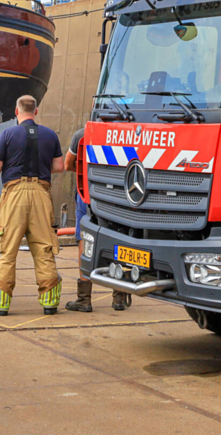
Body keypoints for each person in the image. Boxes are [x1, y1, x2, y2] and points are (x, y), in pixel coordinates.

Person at [0, 95, 64, 316]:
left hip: (15, 194)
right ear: (35, 112)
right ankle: (49, 303)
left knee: (7, 249)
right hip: (41, 194)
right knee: (44, 248)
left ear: (17, 112)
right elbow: (59, 166)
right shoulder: (49, 135)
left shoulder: (8, 133)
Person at [62, 128, 134, 313]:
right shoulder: (129, 134)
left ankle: (84, 299)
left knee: (84, 240)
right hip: (119, 197)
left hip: (88, 194)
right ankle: (119, 296)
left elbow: (68, 163)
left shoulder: (82, 134)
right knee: (119, 241)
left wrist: (85, 176)